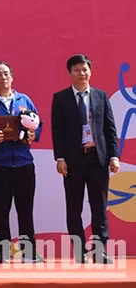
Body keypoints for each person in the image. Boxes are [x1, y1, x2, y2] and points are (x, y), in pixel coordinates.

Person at [51, 54, 119, 264]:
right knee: (74, 208)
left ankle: (100, 250)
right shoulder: (61, 98)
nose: (81, 73)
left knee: (99, 207)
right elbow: (57, 131)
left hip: (98, 159)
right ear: (70, 73)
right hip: (73, 161)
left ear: (90, 71)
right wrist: (60, 158)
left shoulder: (100, 96)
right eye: (77, 70)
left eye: (85, 69)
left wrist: (114, 156)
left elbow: (110, 128)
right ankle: (79, 250)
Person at [0, 61, 42, 263]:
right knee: (0, 211)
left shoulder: (24, 100)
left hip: (23, 163)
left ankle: (29, 252)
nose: (3, 77)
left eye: (6, 73)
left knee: (25, 210)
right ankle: (2, 252)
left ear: (12, 77)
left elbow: (38, 125)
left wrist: (33, 134)